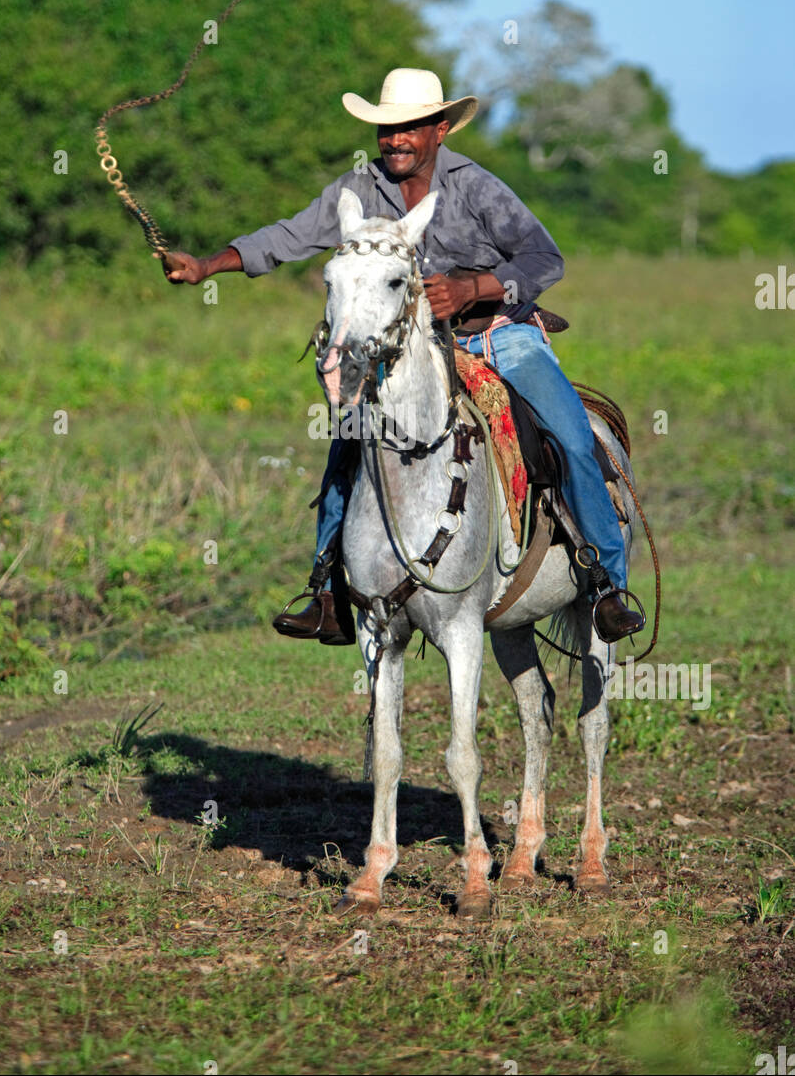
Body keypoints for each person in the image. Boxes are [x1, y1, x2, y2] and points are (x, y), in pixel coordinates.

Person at [159, 68, 645, 646]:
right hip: (410, 350)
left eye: (409, 127)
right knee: (349, 442)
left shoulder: (478, 187)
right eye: (387, 128)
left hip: (498, 337)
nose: (395, 139)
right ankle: (330, 589)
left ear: (440, 129)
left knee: (568, 435)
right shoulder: (360, 186)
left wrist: (475, 289)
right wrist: (209, 266)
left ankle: (605, 585)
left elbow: (545, 259)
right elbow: (291, 236)